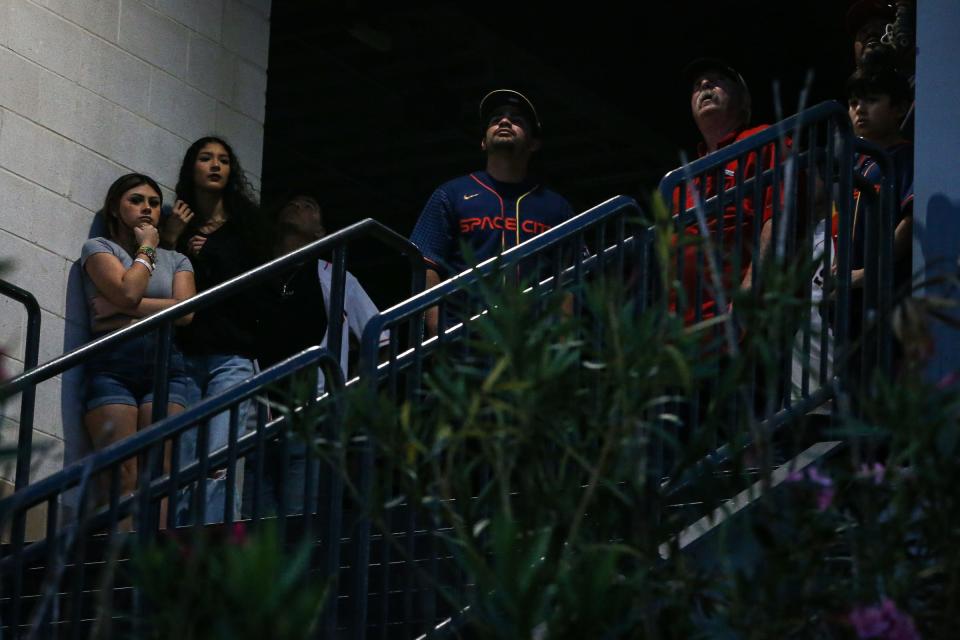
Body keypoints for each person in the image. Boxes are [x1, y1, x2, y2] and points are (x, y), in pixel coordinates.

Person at [247, 192, 388, 516]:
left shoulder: (335, 275)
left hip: (313, 406)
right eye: (293, 202)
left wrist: (353, 396)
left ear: (321, 233)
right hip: (257, 410)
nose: (301, 203)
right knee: (256, 516)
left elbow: (380, 336)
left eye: (312, 206)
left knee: (298, 515)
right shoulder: (256, 273)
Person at [409, 89, 574, 335]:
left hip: (533, 347)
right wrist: (438, 327)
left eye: (517, 119)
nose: (504, 121)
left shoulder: (557, 207)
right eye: (496, 118)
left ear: (534, 143)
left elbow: (568, 277)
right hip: (465, 340)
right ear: (484, 141)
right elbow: (424, 264)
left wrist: (562, 338)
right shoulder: (451, 194)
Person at [161, 136, 265, 522]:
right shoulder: (176, 225)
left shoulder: (246, 228)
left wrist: (206, 261)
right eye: (206, 158)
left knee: (218, 457)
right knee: (185, 460)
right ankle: (183, 548)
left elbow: (251, 289)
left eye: (223, 159)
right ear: (192, 168)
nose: (216, 165)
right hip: (184, 354)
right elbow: (164, 283)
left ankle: (217, 544)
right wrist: (173, 240)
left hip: (231, 355)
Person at [80, 173, 196, 513]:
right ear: (116, 208)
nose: (147, 208)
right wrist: (146, 248)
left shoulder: (177, 260)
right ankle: (116, 561)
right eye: (136, 200)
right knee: (121, 475)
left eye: (155, 203)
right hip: (112, 365)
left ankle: (152, 563)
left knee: (161, 473)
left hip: (166, 366)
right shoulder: (100, 248)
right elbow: (129, 289)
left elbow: (187, 312)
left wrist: (120, 310)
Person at [672, 58, 779, 326]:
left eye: (717, 80)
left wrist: (748, 291)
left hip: (738, 318)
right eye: (697, 85)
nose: (705, 85)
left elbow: (779, 218)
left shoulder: (762, 141)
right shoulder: (682, 178)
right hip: (686, 329)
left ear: (743, 101)